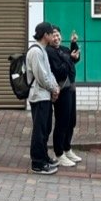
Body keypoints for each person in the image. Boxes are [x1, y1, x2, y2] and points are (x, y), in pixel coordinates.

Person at [27, 22, 60, 175]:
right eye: (51, 33)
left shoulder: (43, 50)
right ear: (45, 35)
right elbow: (41, 76)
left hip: (45, 95)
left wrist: (55, 87)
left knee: (46, 128)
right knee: (39, 130)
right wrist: (53, 88)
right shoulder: (35, 52)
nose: (53, 36)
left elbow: (49, 73)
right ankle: (37, 163)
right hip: (38, 96)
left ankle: (44, 157)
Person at [49, 26, 82, 167]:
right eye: (54, 35)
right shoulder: (49, 52)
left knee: (71, 121)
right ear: (49, 37)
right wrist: (69, 58)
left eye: (58, 35)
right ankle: (59, 153)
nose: (56, 38)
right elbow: (60, 71)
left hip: (70, 88)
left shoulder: (63, 49)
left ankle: (67, 148)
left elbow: (74, 59)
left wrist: (73, 45)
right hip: (60, 91)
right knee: (62, 121)